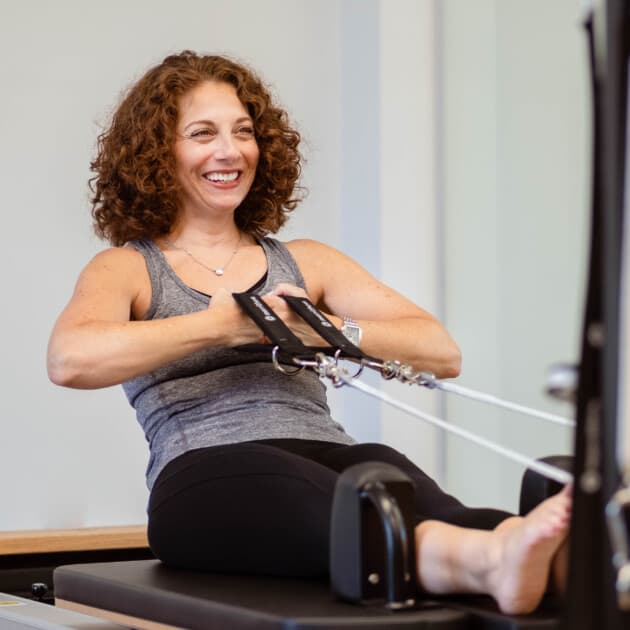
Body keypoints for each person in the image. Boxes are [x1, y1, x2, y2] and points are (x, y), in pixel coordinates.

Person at [47, 50, 570, 616]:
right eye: (203, 133)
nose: (230, 151)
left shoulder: (305, 262)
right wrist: (217, 327)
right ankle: (487, 561)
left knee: (387, 474)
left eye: (243, 132)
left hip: (329, 453)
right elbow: (70, 360)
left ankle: (549, 557)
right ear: (157, 153)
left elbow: (440, 350)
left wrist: (323, 331)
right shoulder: (129, 268)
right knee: (304, 489)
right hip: (202, 474)